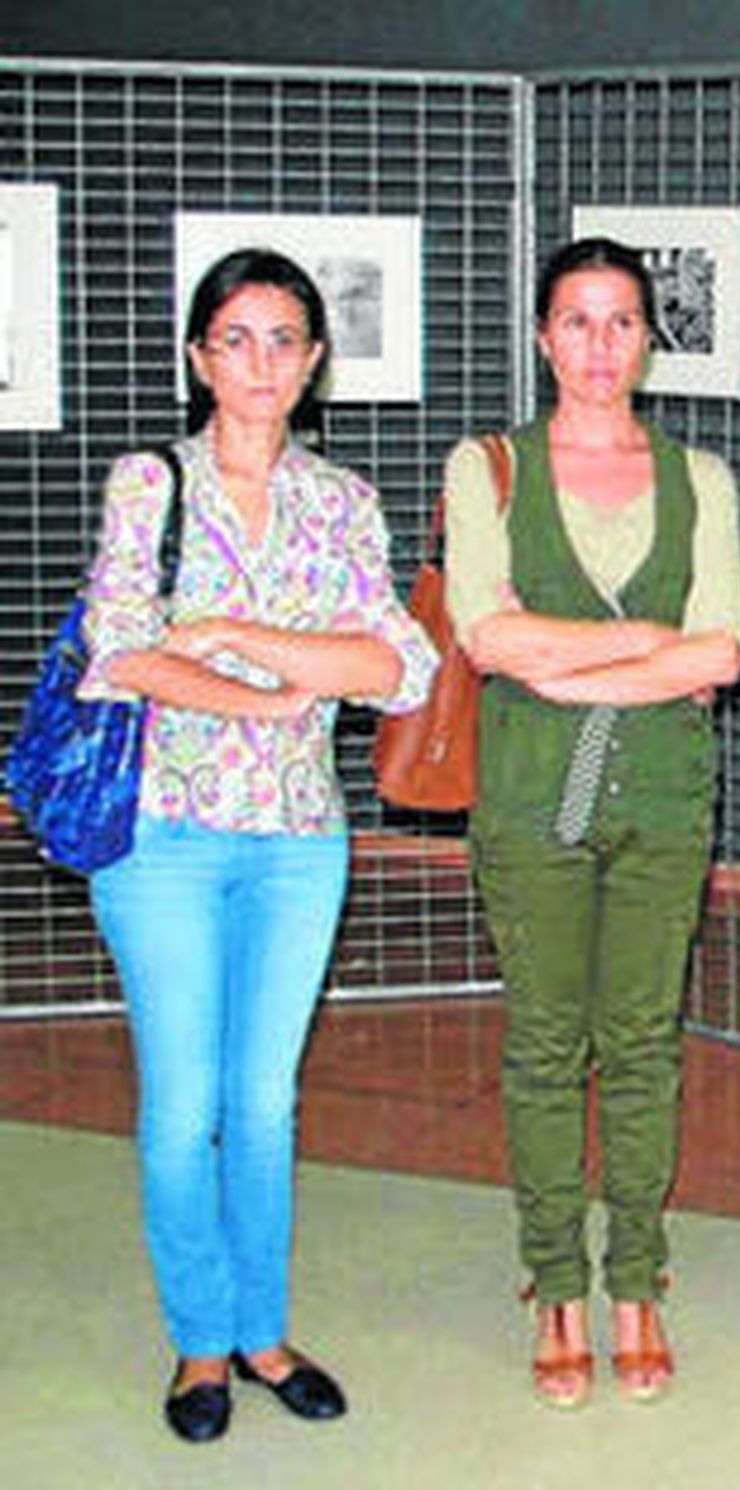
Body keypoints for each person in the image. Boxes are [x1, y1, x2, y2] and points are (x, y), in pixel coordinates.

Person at [82, 248, 439, 1443]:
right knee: (184, 1104)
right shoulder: (150, 483)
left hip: (298, 841)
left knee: (268, 1100)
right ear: (198, 357)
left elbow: (397, 665)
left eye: (285, 338)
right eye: (236, 338)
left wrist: (231, 632)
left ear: (315, 360)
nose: (261, 362)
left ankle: (262, 1327)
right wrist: (276, 690)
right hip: (163, 837)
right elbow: (120, 648)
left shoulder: (342, 501)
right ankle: (199, 1339)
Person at [445, 237, 740, 1408]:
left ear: (648, 343)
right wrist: (645, 649)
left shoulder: (699, 480)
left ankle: (636, 1280)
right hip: (530, 799)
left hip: (664, 798)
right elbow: (484, 635)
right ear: (541, 335)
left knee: (640, 1042)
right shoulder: (491, 471)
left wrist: (564, 657)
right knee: (542, 1044)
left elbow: (721, 650)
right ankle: (554, 1281)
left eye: (622, 322)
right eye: (576, 320)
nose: (599, 346)